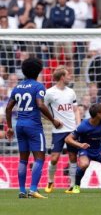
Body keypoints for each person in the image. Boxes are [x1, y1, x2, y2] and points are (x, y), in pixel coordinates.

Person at [5, 57, 62, 199]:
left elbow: (8, 108)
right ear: (38, 71)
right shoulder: (38, 86)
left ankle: (22, 190)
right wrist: (53, 120)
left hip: (20, 125)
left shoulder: (17, 87)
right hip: (34, 126)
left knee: (23, 159)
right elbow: (41, 104)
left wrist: (10, 127)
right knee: (39, 158)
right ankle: (33, 189)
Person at [65, 104, 101, 194]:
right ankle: (76, 185)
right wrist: (80, 145)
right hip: (86, 150)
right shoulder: (83, 125)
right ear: (97, 114)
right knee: (84, 164)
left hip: (99, 149)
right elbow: (68, 139)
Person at [44, 66, 81, 194]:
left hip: (71, 129)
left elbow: (76, 110)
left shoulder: (71, 92)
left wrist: (78, 125)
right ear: (62, 77)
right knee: (54, 158)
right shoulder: (49, 93)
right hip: (58, 130)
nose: (70, 76)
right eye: (68, 74)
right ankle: (50, 181)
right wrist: (52, 121)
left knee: (72, 157)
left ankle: (72, 185)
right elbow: (42, 111)